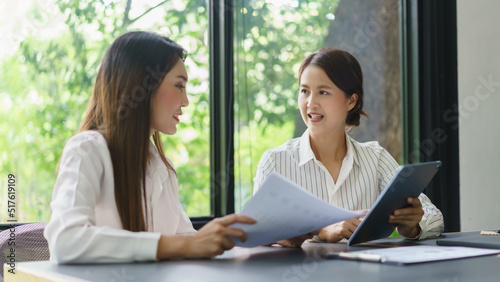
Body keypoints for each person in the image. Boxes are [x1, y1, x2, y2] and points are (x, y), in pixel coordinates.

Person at [44, 31, 255, 263]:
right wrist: (182, 244)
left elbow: (187, 239)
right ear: (143, 85)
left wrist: (257, 237)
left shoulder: (162, 167)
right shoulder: (88, 149)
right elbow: (66, 241)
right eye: (179, 86)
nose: (185, 101)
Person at [253, 48, 444, 247]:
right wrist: (318, 229)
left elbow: (434, 218)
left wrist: (412, 226)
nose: (311, 103)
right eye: (304, 91)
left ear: (351, 101)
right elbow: (255, 231)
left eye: (323, 92)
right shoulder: (275, 161)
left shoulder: (375, 159)